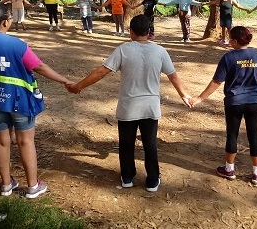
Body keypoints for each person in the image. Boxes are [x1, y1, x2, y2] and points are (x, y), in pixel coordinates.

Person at [0, 5, 73, 198]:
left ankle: (5, 185)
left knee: (1, 142)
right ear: (6, 22)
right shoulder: (18, 45)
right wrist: (65, 80)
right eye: (10, 18)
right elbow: (40, 67)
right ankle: (33, 186)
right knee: (25, 141)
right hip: (19, 101)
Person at [66, 15, 192, 192]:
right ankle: (152, 180)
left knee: (126, 144)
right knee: (150, 144)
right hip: (150, 107)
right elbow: (172, 75)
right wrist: (184, 95)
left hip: (128, 107)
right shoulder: (160, 51)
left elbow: (101, 72)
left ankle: (127, 177)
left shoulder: (123, 50)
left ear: (131, 32)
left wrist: (79, 86)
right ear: (149, 32)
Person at [189, 26, 257, 184]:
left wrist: (200, 98)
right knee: (253, 135)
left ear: (234, 41)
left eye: (230, 39)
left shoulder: (229, 58)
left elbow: (217, 81)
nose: (229, 42)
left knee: (232, 134)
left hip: (234, 102)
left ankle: (229, 169)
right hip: (254, 102)